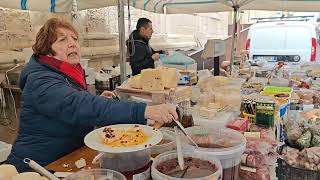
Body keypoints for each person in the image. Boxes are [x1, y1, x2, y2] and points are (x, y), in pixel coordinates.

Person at [6, 18, 178, 172]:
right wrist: (145, 111)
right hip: (35, 168)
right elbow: (79, 105)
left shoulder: (66, 73)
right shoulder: (40, 80)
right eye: (63, 40)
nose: (72, 44)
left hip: (67, 159)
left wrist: (98, 100)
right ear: (47, 51)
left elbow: (76, 105)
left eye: (74, 39)